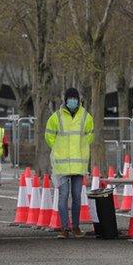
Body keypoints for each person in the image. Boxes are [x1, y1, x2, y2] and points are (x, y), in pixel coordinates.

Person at [45, 88, 95, 238]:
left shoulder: (86, 116)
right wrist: (59, 150)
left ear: (78, 100)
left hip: (78, 165)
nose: (72, 101)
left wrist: (82, 148)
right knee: (63, 196)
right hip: (62, 165)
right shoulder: (56, 117)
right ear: (65, 100)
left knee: (77, 196)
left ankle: (76, 227)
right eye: (70, 98)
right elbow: (49, 137)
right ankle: (65, 228)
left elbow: (90, 135)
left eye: (75, 98)